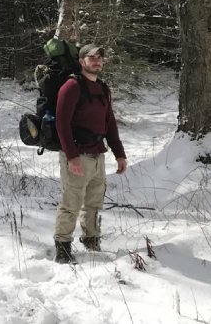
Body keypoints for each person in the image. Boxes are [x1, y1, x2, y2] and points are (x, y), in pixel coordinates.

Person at [53, 43, 127, 264]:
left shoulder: (103, 89)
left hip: (98, 155)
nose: (96, 61)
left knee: (94, 203)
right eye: (91, 57)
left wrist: (119, 154)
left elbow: (110, 123)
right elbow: (62, 124)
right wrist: (72, 156)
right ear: (81, 61)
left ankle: (91, 241)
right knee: (71, 202)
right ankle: (63, 249)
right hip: (77, 155)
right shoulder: (71, 87)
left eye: (99, 58)